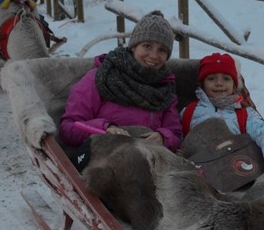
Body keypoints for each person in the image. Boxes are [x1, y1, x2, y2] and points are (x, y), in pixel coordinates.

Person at [60, 10, 183, 163]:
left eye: (162, 50)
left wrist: (163, 137)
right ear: (133, 46)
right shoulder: (102, 77)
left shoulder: (164, 89)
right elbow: (69, 128)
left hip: (147, 162)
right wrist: (104, 129)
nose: (154, 55)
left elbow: (175, 133)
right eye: (147, 46)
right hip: (103, 160)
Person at [182, 52, 264, 180]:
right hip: (198, 170)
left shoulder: (244, 114)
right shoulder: (189, 112)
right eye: (211, 79)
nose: (219, 83)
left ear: (234, 85)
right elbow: (177, 136)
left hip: (233, 171)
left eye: (226, 79)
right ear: (203, 83)